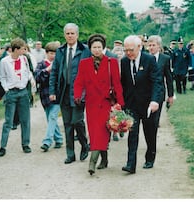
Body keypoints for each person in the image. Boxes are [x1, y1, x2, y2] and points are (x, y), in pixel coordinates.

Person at [74, 34, 124, 175]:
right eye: (94, 47)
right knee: (96, 133)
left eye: (99, 47)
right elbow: (79, 82)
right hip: (91, 104)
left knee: (101, 132)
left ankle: (92, 163)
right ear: (90, 48)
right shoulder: (84, 63)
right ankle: (105, 159)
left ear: (103, 48)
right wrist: (77, 96)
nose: (97, 50)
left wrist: (120, 102)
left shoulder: (111, 62)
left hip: (106, 103)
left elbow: (117, 84)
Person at [120, 35, 163, 174]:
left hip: (148, 104)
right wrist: (122, 103)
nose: (128, 53)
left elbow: (157, 81)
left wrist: (155, 100)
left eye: (131, 50)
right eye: (125, 50)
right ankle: (130, 164)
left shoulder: (149, 60)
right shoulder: (124, 61)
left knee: (150, 133)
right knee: (132, 134)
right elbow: (124, 84)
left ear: (139, 47)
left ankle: (150, 157)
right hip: (132, 105)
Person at [49, 23, 91, 164]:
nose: (70, 36)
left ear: (77, 35)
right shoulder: (60, 51)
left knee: (77, 121)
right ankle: (70, 154)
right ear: (64, 35)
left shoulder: (85, 50)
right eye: (68, 33)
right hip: (64, 92)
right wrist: (52, 91)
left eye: (72, 33)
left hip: (80, 92)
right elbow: (54, 72)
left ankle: (85, 145)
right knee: (67, 123)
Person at [0, 37, 35, 156]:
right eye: (22, 48)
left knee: (25, 120)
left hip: (23, 91)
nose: (24, 50)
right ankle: (3, 146)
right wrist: (6, 89)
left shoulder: (24, 59)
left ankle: (25, 144)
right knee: (8, 121)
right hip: (11, 92)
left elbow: (28, 72)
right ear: (16, 49)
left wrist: (31, 79)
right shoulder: (5, 61)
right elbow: (2, 77)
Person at [35, 41, 63, 152]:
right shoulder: (41, 64)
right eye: (51, 53)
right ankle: (59, 139)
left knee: (52, 117)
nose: (53, 56)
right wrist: (47, 70)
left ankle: (47, 141)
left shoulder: (60, 65)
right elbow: (37, 77)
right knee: (50, 119)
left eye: (56, 53)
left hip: (57, 95)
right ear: (46, 53)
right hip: (45, 96)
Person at [147, 35, 174, 127]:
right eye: (149, 45)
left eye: (153, 45)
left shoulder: (165, 59)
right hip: (146, 92)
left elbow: (169, 78)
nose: (151, 47)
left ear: (159, 46)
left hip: (159, 92)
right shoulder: (144, 57)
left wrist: (171, 95)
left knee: (155, 117)